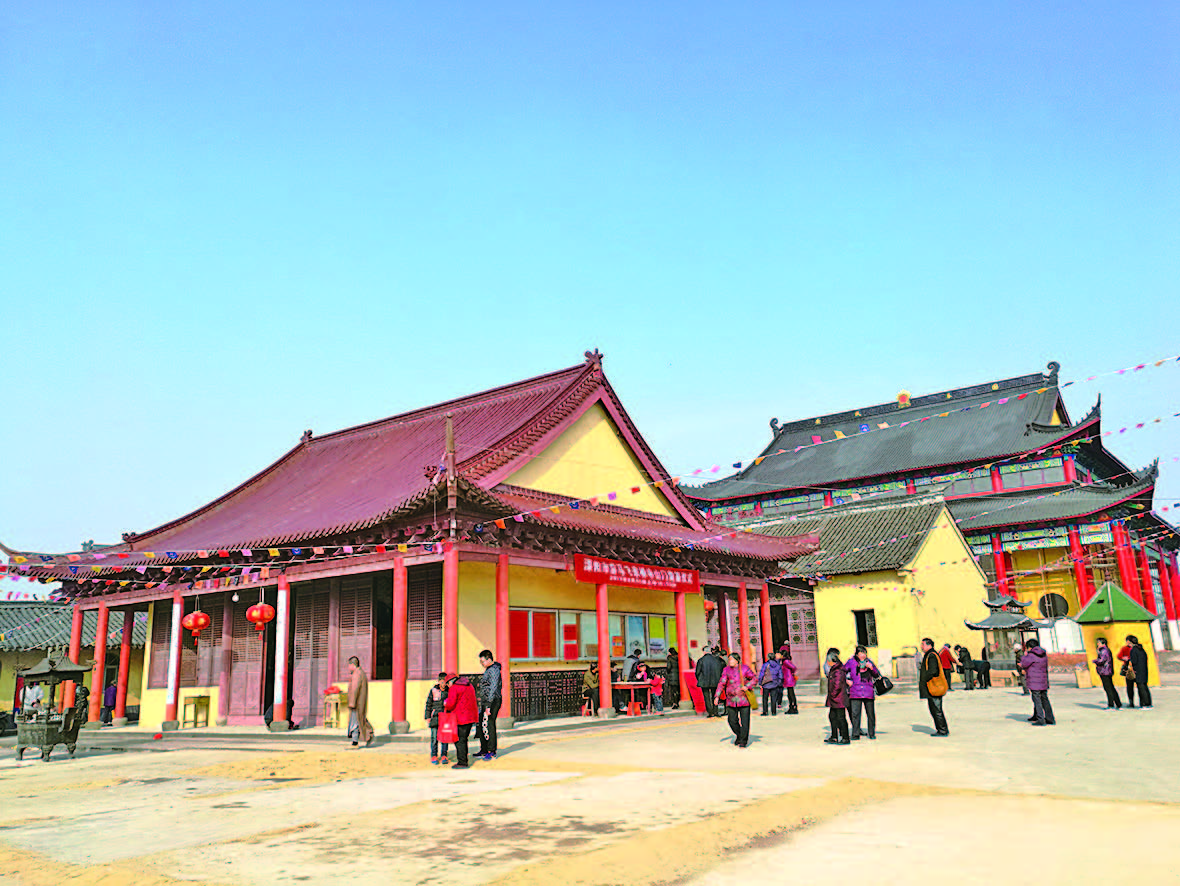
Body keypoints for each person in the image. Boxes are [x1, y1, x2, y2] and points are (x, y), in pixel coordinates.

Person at [715, 653, 757, 748]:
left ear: (737, 660)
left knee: (745, 721)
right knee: (732, 720)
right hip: (731, 699)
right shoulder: (726, 670)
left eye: (732, 659)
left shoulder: (745, 668)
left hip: (743, 699)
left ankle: (743, 740)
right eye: (729, 660)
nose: (730, 661)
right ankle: (739, 734)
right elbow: (722, 683)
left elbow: (754, 678)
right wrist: (717, 696)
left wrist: (747, 686)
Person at [844, 646, 880, 740]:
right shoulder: (851, 662)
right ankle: (855, 734)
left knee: (870, 714)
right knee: (855, 714)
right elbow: (842, 672)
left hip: (868, 691)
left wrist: (872, 668)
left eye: (864, 653)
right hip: (855, 691)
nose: (863, 655)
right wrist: (847, 681)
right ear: (856, 654)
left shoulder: (869, 662)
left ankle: (871, 733)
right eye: (861, 653)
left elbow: (877, 674)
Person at [442, 674, 478, 769]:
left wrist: (445, 703)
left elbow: (450, 704)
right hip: (470, 717)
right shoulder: (469, 686)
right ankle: (464, 760)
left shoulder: (454, 688)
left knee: (459, 740)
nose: (448, 686)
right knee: (464, 739)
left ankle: (462, 762)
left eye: (447, 683)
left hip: (460, 718)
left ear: (451, 681)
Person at [1020, 639, 1055, 726]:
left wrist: (1025, 655)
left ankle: (1040, 719)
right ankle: (1050, 718)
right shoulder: (1043, 655)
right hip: (1043, 681)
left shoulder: (1031, 655)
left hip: (1034, 681)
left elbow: (1023, 663)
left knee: (1037, 700)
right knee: (1044, 699)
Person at [919, 638, 949, 736]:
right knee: (934, 709)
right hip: (931, 687)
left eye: (923, 645)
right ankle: (940, 729)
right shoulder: (930, 655)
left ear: (929, 645)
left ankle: (943, 730)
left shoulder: (931, 656)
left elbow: (933, 671)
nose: (921, 647)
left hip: (934, 687)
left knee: (937, 709)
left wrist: (924, 678)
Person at [477, 649, 502, 761]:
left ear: (489, 659)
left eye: (483, 661)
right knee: (482, 724)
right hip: (486, 701)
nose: (482, 664)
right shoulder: (489, 669)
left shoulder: (494, 670)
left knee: (489, 724)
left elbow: (493, 688)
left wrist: (488, 705)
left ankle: (491, 751)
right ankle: (484, 749)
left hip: (492, 701)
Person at [346, 655, 374, 748]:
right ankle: (368, 735)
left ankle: (355, 742)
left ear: (352, 664)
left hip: (356, 702)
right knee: (360, 720)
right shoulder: (360, 673)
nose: (348, 668)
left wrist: (352, 702)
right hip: (359, 702)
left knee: (355, 722)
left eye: (349, 665)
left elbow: (355, 689)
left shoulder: (356, 674)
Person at [825, 650, 850, 744]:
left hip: (838, 699)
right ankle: (834, 736)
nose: (827, 663)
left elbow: (837, 685)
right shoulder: (834, 669)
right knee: (832, 716)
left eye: (828, 661)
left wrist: (832, 694)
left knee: (841, 718)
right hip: (834, 699)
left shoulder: (838, 671)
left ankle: (845, 737)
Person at [425, 672, 450, 764]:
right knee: (434, 738)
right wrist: (427, 716)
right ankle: (434, 755)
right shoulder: (433, 691)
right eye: (442, 682)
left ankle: (444, 755)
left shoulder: (450, 691)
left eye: (446, 682)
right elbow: (428, 704)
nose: (444, 684)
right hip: (435, 716)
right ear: (439, 681)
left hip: (446, 717)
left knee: (445, 738)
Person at [1093, 637, 1121, 710]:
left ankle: (1111, 704)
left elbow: (1102, 660)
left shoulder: (1103, 651)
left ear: (1103, 643)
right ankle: (1118, 704)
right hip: (1108, 671)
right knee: (1111, 687)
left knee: (1108, 688)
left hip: (1104, 671)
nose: (1097, 644)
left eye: (1098, 643)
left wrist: (1095, 661)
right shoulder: (1105, 650)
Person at [695, 645, 723, 718]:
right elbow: (720, 670)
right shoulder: (717, 659)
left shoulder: (701, 660)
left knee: (706, 697)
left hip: (704, 681)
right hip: (715, 680)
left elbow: (697, 672)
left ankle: (710, 712)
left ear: (704, 651)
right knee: (715, 696)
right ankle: (716, 711)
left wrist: (699, 679)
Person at [1126, 635, 1152, 709]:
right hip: (1143, 670)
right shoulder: (1141, 649)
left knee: (1141, 687)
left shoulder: (1134, 650)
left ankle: (1145, 704)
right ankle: (1148, 703)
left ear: (1129, 642)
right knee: (1144, 686)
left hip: (1138, 670)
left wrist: (1128, 661)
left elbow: (1134, 661)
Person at [1117, 641, 1135, 707]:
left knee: (1140, 686)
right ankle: (1131, 701)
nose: (1128, 644)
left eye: (1129, 642)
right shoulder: (1125, 649)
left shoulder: (1136, 649)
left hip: (1136, 668)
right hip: (1128, 669)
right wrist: (1123, 658)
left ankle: (1143, 702)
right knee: (1129, 686)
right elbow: (1119, 656)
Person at [781, 649, 799, 714]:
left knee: (791, 695)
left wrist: (792, 672)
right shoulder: (784, 661)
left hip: (789, 680)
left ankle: (793, 708)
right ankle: (792, 707)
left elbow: (793, 667)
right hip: (788, 679)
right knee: (790, 694)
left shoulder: (786, 661)